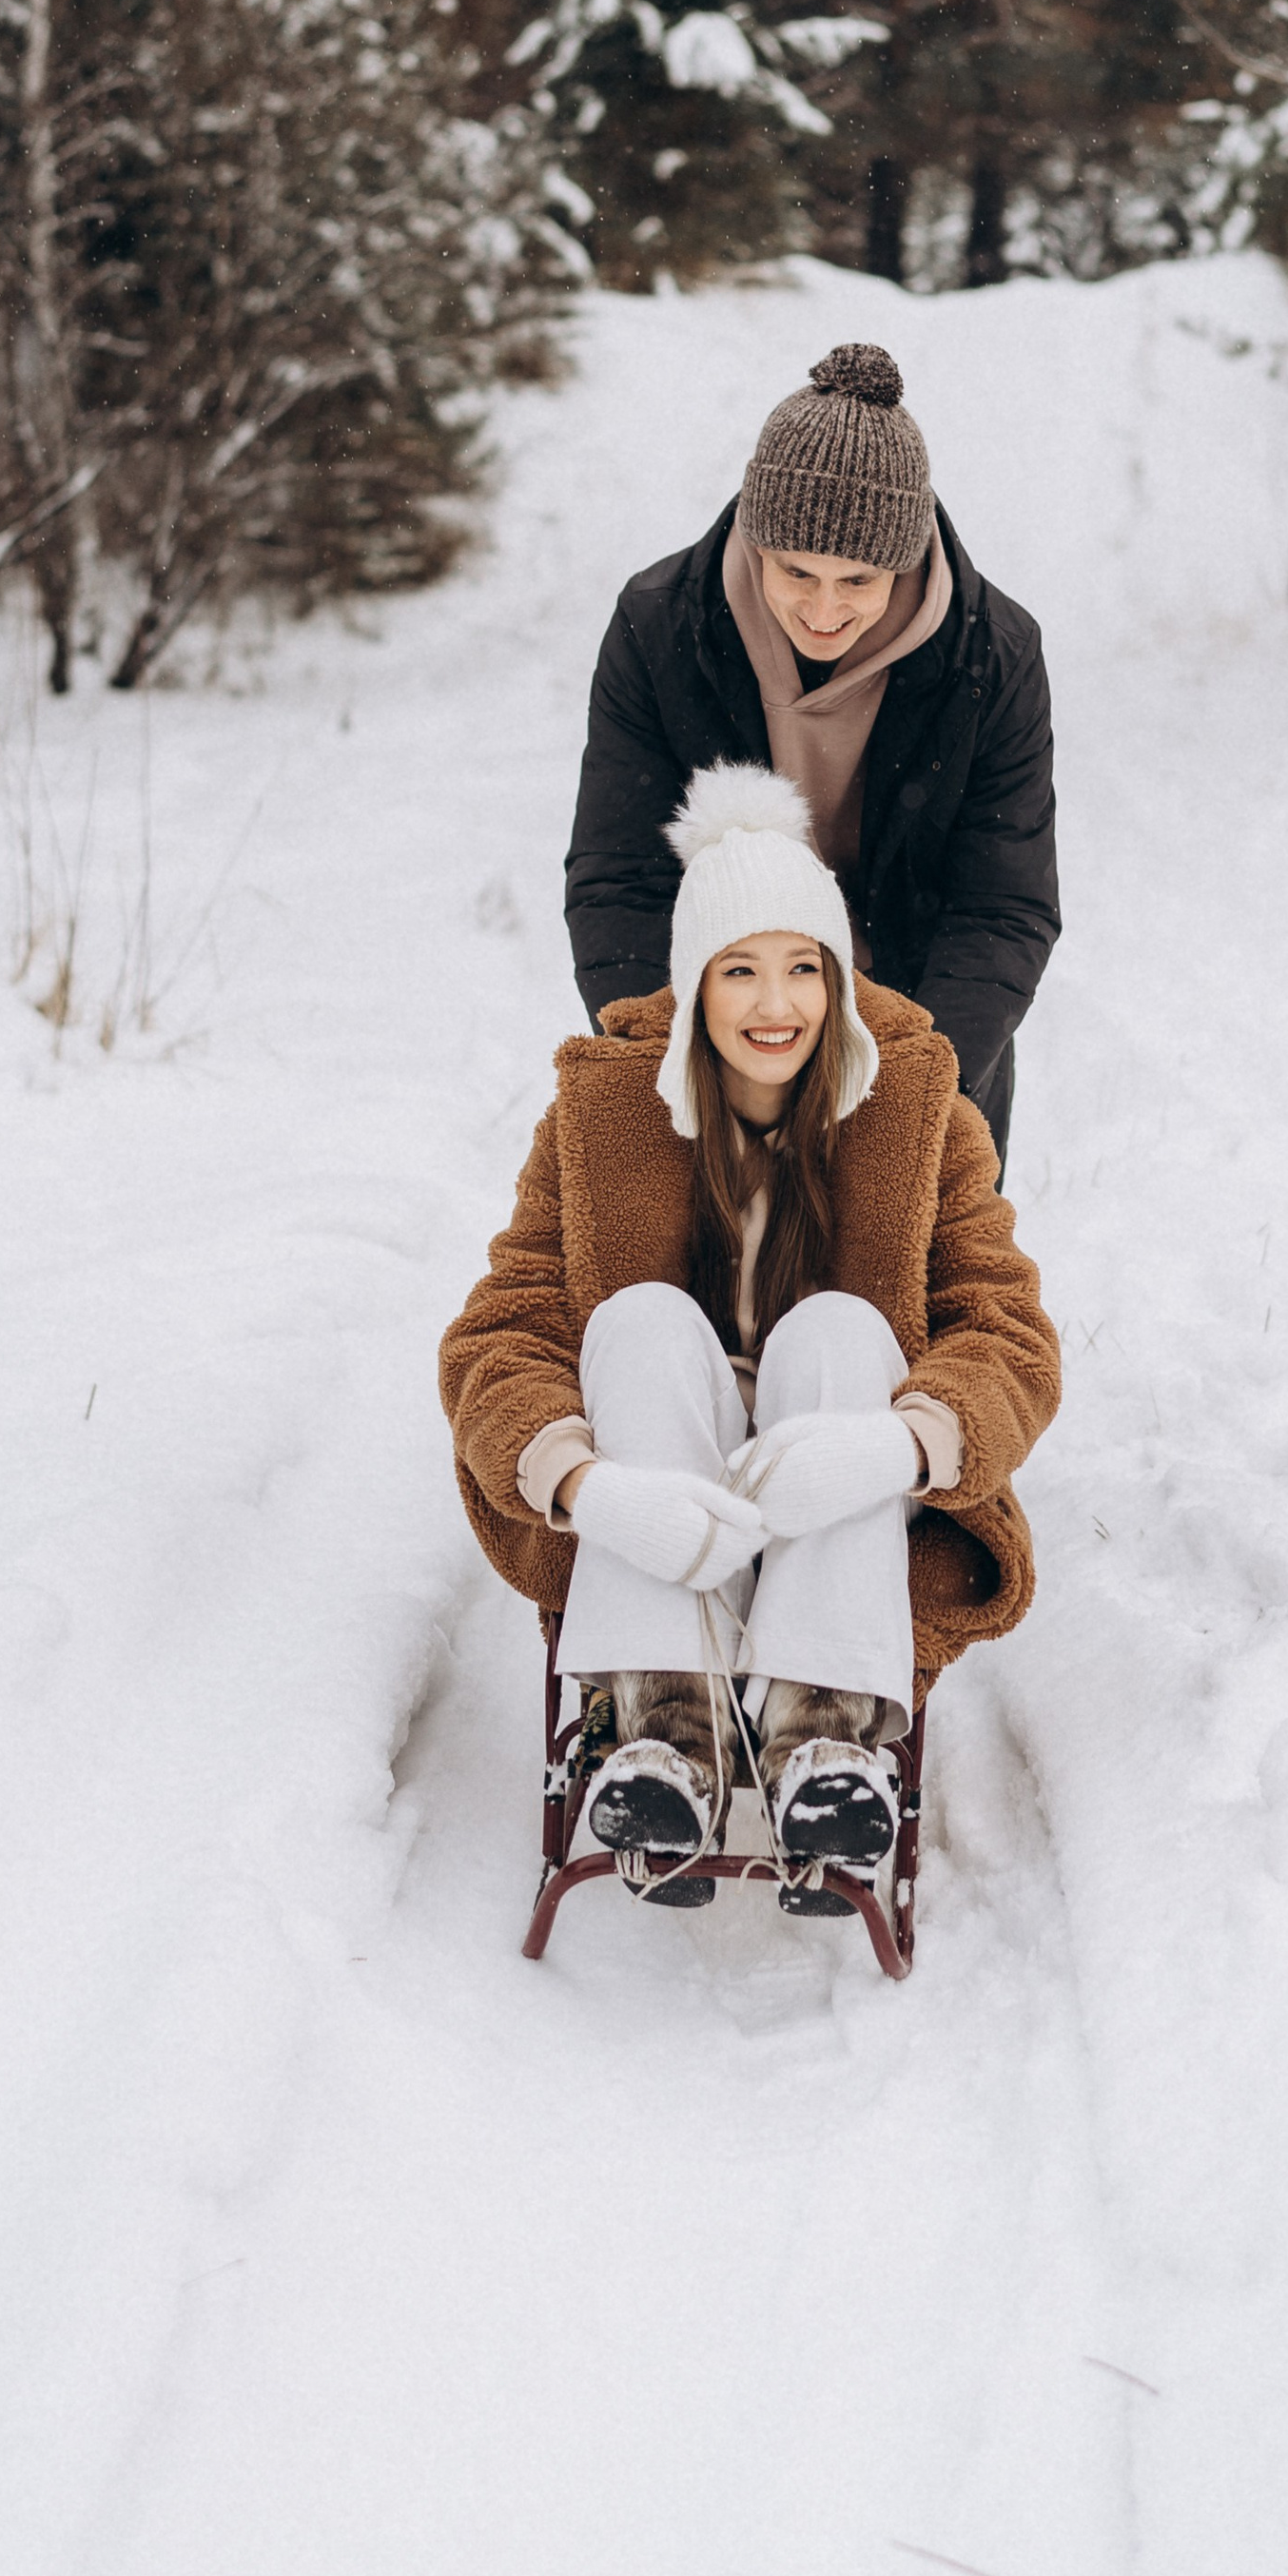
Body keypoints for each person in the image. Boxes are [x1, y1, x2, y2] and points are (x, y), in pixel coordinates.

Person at [441, 763, 1061, 1911]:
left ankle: (823, 1740)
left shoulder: (921, 1111)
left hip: (845, 1490)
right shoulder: (598, 1115)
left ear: (835, 976)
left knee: (840, 1325)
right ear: (692, 985)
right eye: (739, 970)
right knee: (636, 1320)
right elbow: (501, 1333)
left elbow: (1006, 1332)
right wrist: (583, 1485)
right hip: (657, 1480)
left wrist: (895, 1446)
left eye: (802, 967)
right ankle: (662, 1733)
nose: (775, 1004)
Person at [564, 337, 1058, 1173]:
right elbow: (620, 876)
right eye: (796, 572)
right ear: (757, 540)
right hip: (717, 1021)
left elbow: (1001, 905)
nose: (824, 612)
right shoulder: (660, 627)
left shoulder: (994, 655)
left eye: (859, 581)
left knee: (915, 1257)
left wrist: (910, 1093)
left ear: (904, 560)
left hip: (920, 1024)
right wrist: (669, 1063)